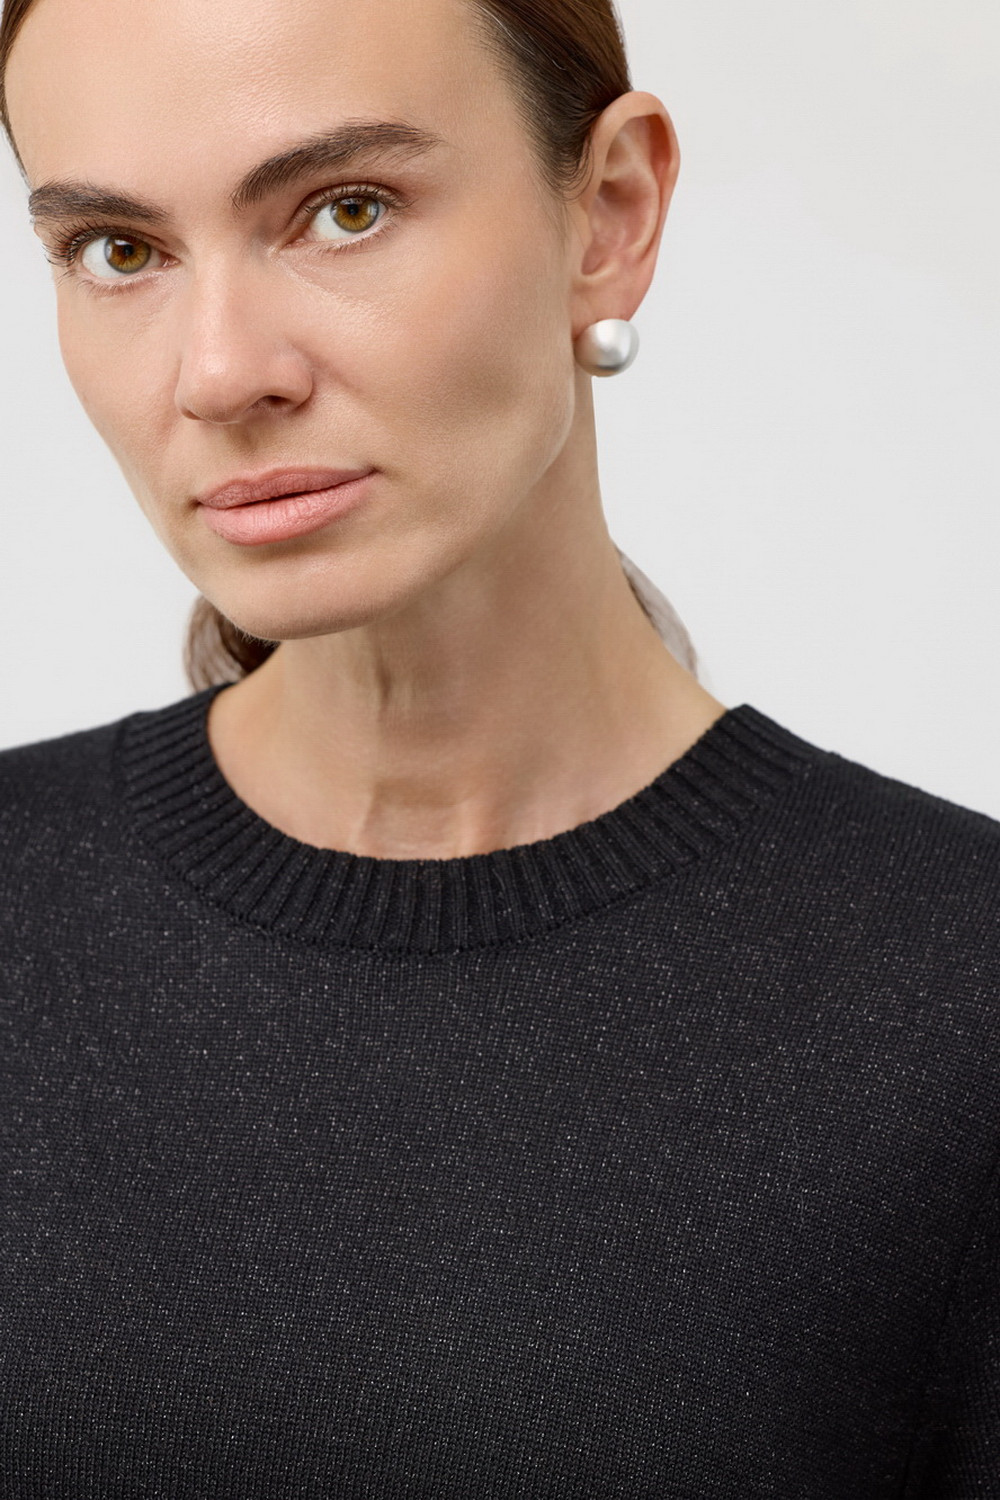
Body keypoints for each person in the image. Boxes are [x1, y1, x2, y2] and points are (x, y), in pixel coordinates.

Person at [0, 0, 996, 1494]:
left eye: (345, 210)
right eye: (118, 250)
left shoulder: (958, 994)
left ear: (610, 214)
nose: (217, 373)